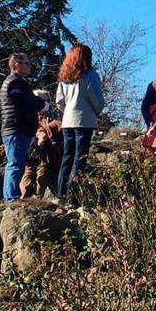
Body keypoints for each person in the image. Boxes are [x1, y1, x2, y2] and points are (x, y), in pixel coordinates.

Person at [55, 43, 104, 197]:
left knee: (67, 157)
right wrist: (96, 112)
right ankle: (74, 195)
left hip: (67, 121)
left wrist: (67, 112)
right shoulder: (90, 74)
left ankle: (61, 194)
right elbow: (96, 99)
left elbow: (59, 101)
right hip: (84, 120)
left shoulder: (64, 77)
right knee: (80, 158)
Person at [0, 52, 49, 201]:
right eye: (27, 63)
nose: (30, 66)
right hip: (16, 129)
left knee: (17, 164)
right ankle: (11, 198)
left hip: (18, 129)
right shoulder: (15, 82)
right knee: (15, 165)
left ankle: (11, 197)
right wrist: (43, 103)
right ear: (17, 65)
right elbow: (29, 101)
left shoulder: (16, 82)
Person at [20, 111, 63, 199]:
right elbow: (44, 134)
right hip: (41, 150)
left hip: (36, 148)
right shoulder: (52, 117)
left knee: (33, 171)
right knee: (39, 171)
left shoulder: (29, 114)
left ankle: (26, 197)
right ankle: (35, 198)